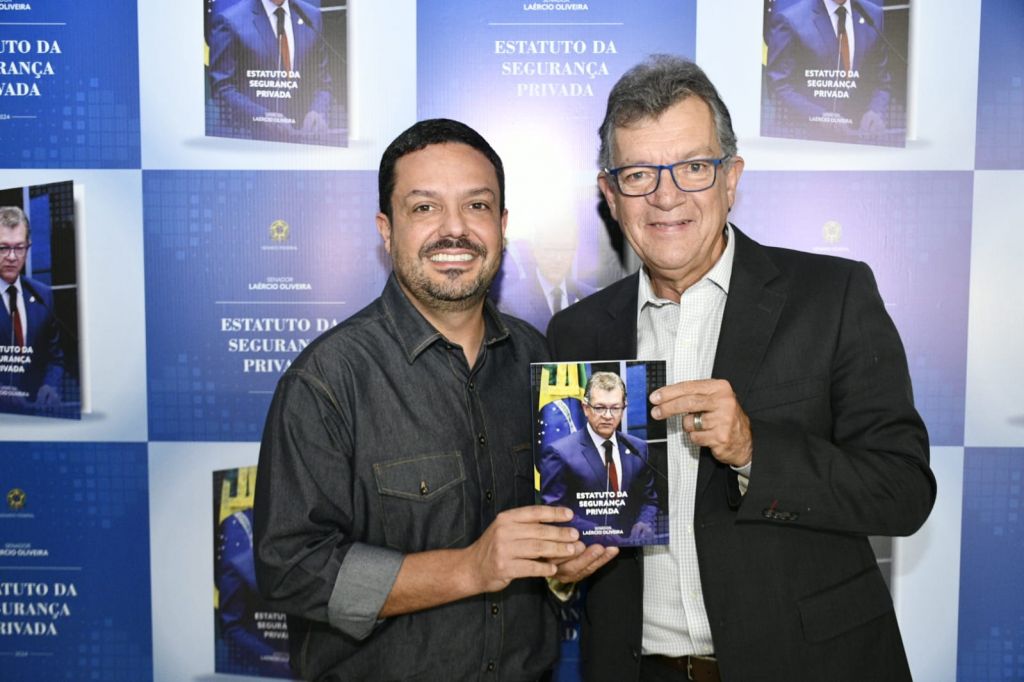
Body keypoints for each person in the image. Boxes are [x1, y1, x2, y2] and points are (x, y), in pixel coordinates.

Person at [547, 55, 936, 681]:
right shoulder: (575, 332)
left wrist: (755, 450)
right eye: (639, 174)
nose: (666, 196)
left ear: (731, 178)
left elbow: (904, 491)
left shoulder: (832, 296)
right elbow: (571, 511)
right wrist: (561, 568)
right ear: (611, 196)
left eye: (693, 167)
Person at [253, 118, 588, 681]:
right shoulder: (328, 379)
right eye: (425, 208)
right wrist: (468, 568)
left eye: (477, 206)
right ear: (386, 231)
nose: (454, 230)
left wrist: (564, 564)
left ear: (503, 226)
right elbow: (291, 570)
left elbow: (558, 520)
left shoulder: (540, 360)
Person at [539, 371, 660, 546]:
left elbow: (649, 500)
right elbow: (553, 510)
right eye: (599, 407)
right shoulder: (559, 452)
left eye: (615, 408)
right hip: (581, 550)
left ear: (624, 408)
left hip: (632, 551)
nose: (608, 416)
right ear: (585, 408)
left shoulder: (638, 448)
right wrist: (596, 534)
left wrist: (644, 522)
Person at [764, 0, 892, 139]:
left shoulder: (874, 14)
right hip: (806, 136)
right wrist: (819, 116)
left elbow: (882, 81)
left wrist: (875, 111)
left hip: (860, 137)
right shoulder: (790, 19)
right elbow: (779, 84)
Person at [208, 0, 332, 139]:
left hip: (303, 139)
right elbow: (222, 87)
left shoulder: (311, 16)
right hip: (251, 138)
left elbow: (323, 83)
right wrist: (261, 116)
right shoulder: (230, 21)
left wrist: (317, 111)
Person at [0, 206, 63, 410]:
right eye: (3, 248)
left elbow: (55, 359)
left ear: (28, 248)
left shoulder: (43, 295)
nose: (12, 256)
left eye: (19, 248)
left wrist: (50, 386)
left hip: (35, 414)